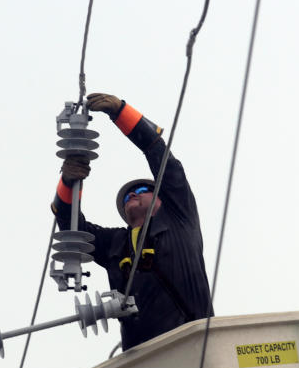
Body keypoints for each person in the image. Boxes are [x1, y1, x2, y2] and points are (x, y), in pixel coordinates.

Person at [51, 92, 212, 351]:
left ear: (161, 197)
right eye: (127, 196)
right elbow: (70, 227)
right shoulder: (115, 243)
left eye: (140, 192)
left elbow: (160, 156)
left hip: (193, 342)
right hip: (141, 357)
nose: (131, 197)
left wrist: (120, 112)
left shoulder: (180, 218)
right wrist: (68, 181)